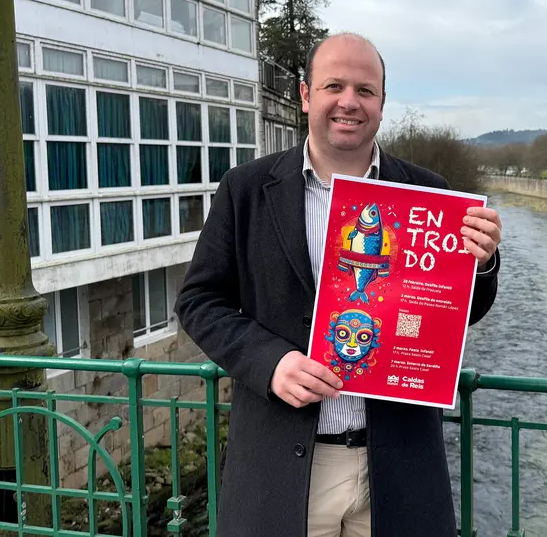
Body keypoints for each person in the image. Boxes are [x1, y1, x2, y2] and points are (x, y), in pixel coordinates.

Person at [174, 32, 502, 537]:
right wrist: (270, 362)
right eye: (334, 86)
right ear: (306, 95)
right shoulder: (245, 188)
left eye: (365, 91)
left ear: (382, 104)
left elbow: (459, 312)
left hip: (397, 470)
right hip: (281, 468)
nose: (349, 102)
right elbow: (198, 301)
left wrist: (481, 262)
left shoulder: (431, 196)